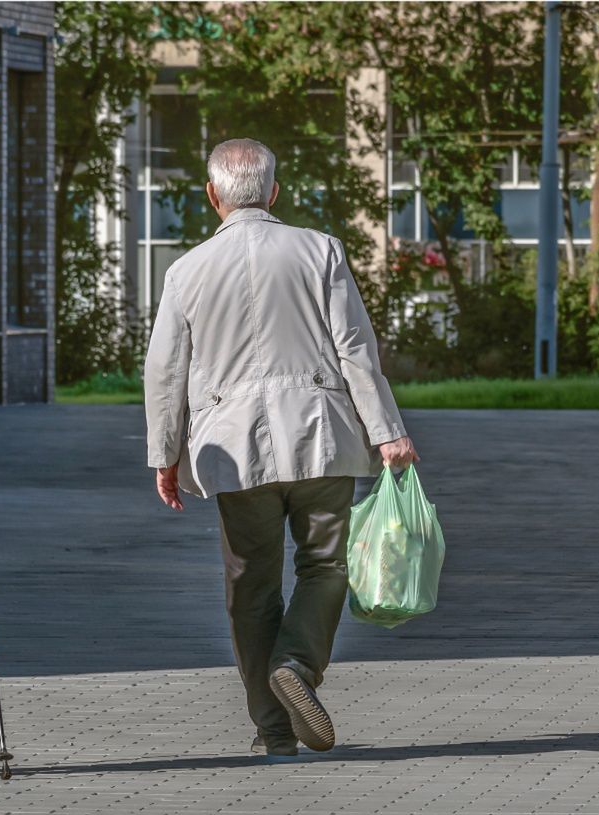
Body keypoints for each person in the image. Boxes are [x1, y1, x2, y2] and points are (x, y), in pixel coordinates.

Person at [143, 138, 418, 758]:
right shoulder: (320, 250)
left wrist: (165, 452)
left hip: (231, 450)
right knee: (326, 565)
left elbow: (164, 370)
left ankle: (272, 729)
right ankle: (296, 663)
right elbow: (355, 348)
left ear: (212, 195)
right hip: (320, 433)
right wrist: (387, 432)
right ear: (274, 191)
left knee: (251, 584)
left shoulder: (185, 271)